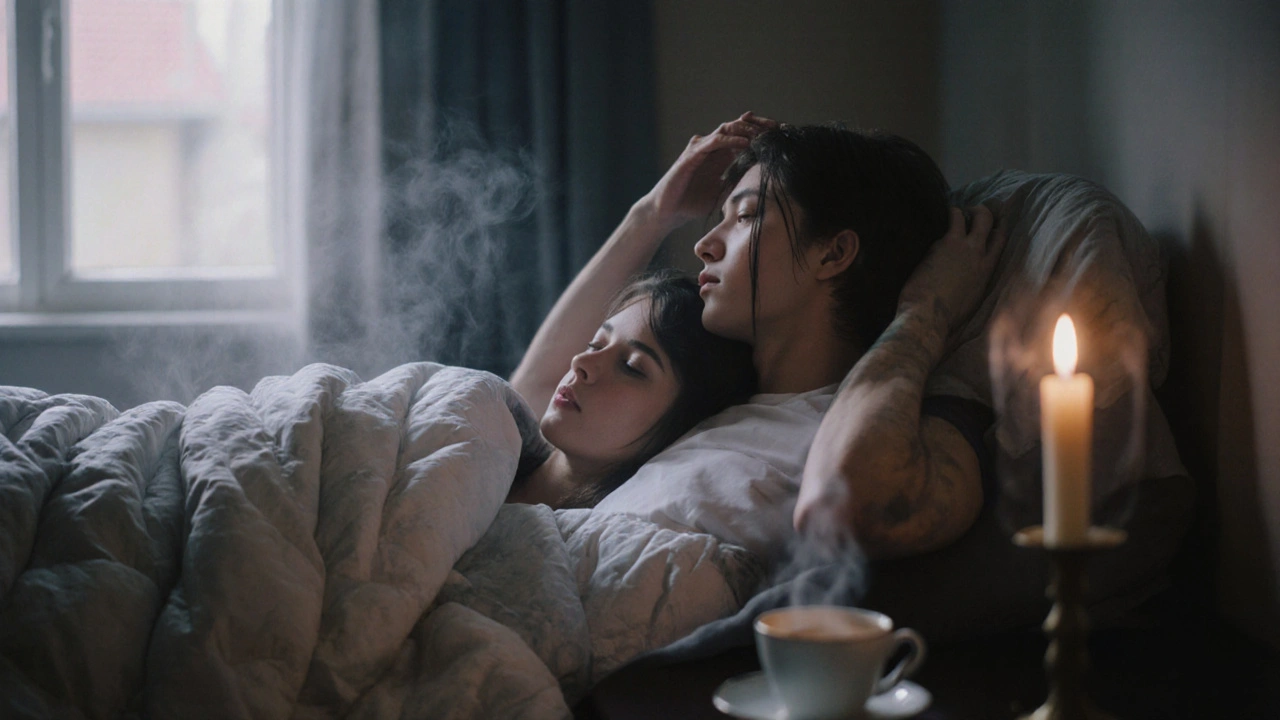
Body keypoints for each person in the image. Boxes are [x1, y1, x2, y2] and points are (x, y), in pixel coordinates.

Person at [511, 113, 1004, 561]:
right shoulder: (711, 395)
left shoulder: (874, 425)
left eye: (745, 216)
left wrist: (924, 314)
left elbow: (860, 502)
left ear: (832, 255)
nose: (704, 245)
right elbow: (530, 405)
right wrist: (653, 215)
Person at [507, 269, 757, 509]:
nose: (580, 362)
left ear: (683, 424)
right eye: (595, 345)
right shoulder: (488, 443)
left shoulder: (605, 541)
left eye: (631, 366)